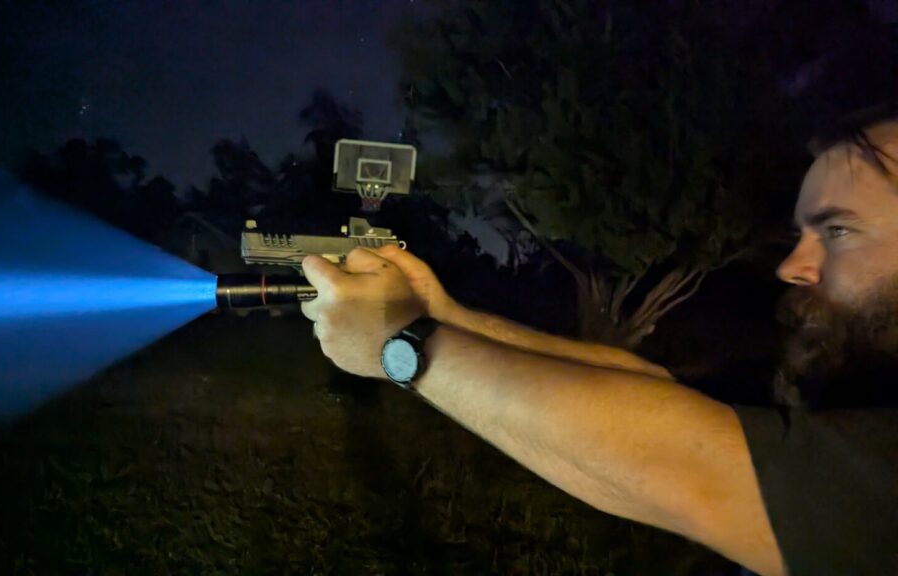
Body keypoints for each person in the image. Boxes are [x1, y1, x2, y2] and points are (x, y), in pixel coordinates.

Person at [299, 106, 898, 576]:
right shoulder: (854, 388)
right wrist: (442, 316)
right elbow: (656, 391)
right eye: (802, 234)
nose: (792, 264)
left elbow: (691, 466)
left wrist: (400, 344)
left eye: (838, 230)